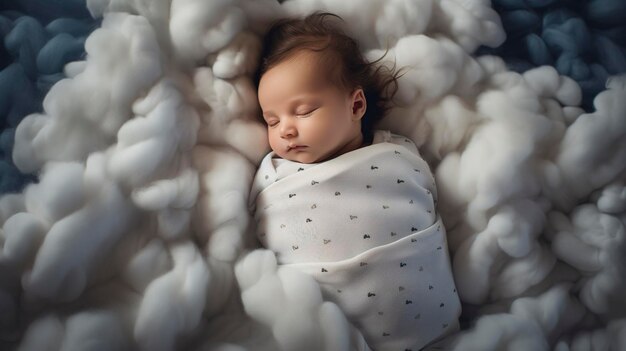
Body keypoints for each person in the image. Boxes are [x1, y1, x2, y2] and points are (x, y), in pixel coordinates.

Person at [248, 12, 462, 351]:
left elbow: (426, 198)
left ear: (356, 104)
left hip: (430, 329)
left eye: (303, 111)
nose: (286, 129)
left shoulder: (397, 155)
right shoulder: (275, 174)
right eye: (272, 121)